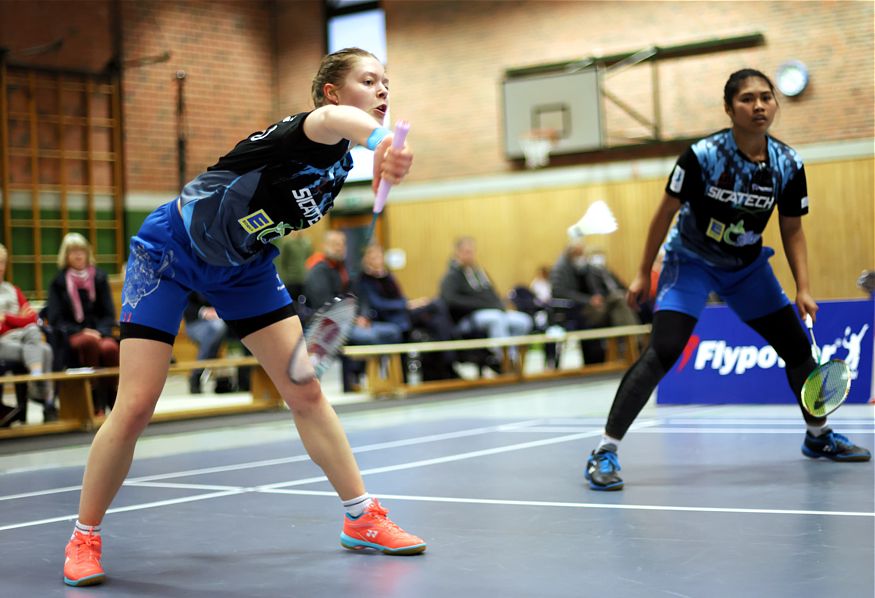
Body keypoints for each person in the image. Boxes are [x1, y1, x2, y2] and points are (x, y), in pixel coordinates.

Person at [62, 47, 425, 588]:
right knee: (136, 405)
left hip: (244, 268)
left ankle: (362, 516)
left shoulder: (339, 165)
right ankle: (84, 536)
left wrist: (376, 166)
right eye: (368, 81)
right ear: (331, 92)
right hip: (170, 254)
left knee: (304, 392)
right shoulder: (311, 128)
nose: (382, 91)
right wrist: (382, 142)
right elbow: (337, 123)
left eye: (386, 82)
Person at [583, 68, 870, 492]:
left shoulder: (788, 164)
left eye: (766, 98)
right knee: (663, 350)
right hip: (691, 262)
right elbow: (663, 213)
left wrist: (803, 287)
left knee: (797, 350)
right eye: (747, 99)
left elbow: (792, 229)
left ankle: (819, 436)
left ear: (775, 104)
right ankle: (604, 451)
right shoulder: (703, 155)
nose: (758, 106)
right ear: (729, 108)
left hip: (748, 267)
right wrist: (644, 270)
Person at [357, 243, 458, 380]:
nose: (377, 259)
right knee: (436, 305)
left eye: (379, 255)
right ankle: (450, 358)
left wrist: (411, 303)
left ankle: (442, 368)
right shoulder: (364, 280)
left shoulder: (387, 276)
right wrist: (407, 304)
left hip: (402, 313)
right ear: (366, 259)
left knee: (437, 320)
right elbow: (378, 304)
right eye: (373, 256)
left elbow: (400, 296)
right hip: (388, 317)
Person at [46, 233, 120, 415]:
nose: (78, 255)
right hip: (72, 335)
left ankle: (115, 399)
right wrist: (82, 331)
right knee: (88, 342)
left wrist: (100, 332)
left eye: (82, 251)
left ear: (88, 254)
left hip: (99, 333)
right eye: (73, 252)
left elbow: (109, 314)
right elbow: (56, 319)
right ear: (66, 255)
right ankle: (96, 402)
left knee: (110, 348)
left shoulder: (99, 278)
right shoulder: (58, 282)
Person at [439, 236, 533, 368]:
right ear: (458, 253)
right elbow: (450, 300)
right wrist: (481, 304)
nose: (471, 255)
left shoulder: (479, 273)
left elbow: (492, 294)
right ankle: (502, 360)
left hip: (492, 311)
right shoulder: (452, 276)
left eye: (472, 251)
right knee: (496, 319)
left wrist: (501, 305)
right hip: (468, 318)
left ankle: (514, 357)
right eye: (467, 251)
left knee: (523, 320)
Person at [551, 238, 639, 364]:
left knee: (619, 305)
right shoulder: (560, 269)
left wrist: (596, 298)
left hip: (592, 308)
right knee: (618, 301)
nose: (582, 257)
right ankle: (632, 344)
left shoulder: (585, 268)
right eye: (579, 254)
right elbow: (560, 292)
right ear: (571, 253)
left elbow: (597, 289)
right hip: (576, 311)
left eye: (583, 254)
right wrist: (589, 300)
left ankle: (627, 346)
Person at [0, 243, 56, 422]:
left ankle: (37, 381)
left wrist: (6, 318)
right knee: (43, 350)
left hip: (22, 337)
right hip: (3, 341)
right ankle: (45, 400)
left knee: (33, 330)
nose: (0, 267)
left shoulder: (13, 289)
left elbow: (32, 319)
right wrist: (17, 318)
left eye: (2, 262)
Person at [274, 233, 313, 302]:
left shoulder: (306, 242)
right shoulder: (287, 243)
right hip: (291, 279)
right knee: (292, 301)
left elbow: (309, 257)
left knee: (305, 302)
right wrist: (285, 277)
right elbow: (283, 261)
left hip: (304, 278)